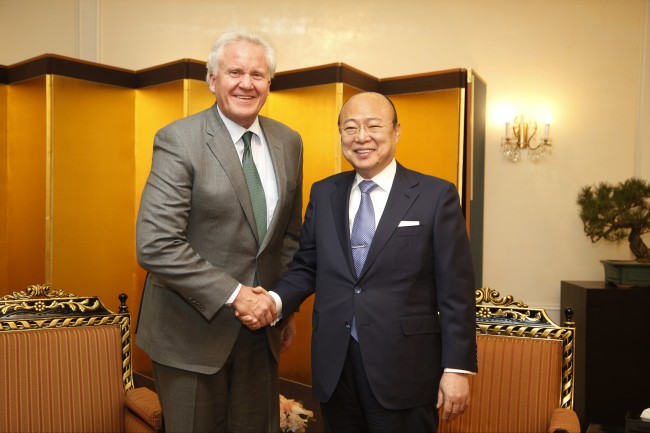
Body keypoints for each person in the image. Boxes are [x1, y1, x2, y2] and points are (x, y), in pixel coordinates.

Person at [243, 92, 477, 432]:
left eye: (374, 126)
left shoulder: (435, 196)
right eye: (350, 128)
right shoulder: (324, 193)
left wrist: (457, 368)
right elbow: (307, 265)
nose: (361, 137)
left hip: (404, 370)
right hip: (335, 368)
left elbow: (456, 291)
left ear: (396, 131)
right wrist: (274, 301)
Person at [135, 28, 303, 433]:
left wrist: (284, 305)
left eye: (257, 75)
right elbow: (157, 245)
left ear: (269, 84)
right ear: (212, 79)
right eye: (234, 72)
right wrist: (236, 295)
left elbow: (289, 237)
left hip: (262, 335)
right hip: (190, 336)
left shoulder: (289, 141)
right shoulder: (179, 139)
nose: (246, 83)